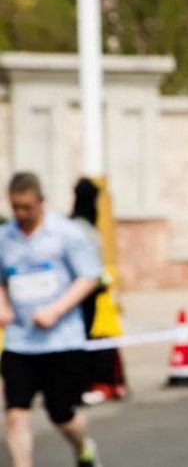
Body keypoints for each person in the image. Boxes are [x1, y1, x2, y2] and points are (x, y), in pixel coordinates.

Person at [0, 172, 103, 466]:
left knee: (61, 413)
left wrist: (56, 310)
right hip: (20, 341)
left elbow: (89, 276)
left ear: (41, 202)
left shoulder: (67, 233)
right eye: (16, 207)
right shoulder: (5, 237)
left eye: (27, 207)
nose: (21, 214)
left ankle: (83, 447)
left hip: (61, 340)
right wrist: (2, 306)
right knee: (16, 413)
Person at [70, 178, 128, 405]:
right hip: (82, 291)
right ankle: (78, 385)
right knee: (81, 337)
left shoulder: (79, 226)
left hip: (87, 290)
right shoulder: (81, 229)